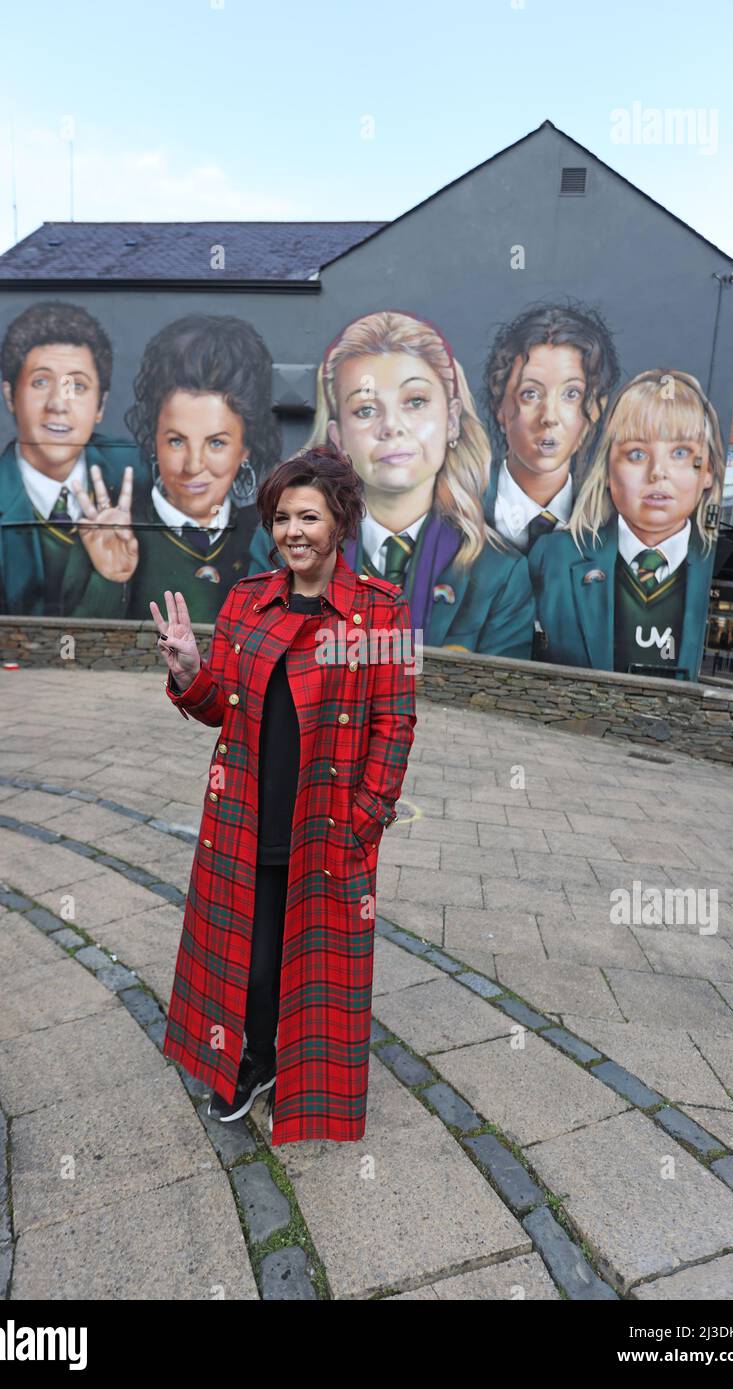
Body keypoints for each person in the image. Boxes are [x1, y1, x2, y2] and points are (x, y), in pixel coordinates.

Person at [150, 444, 417, 1144]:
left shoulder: (381, 612)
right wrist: (190, 672)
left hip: (325, 825)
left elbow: (396, 722)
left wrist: (367, 817)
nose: (293, 531)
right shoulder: (248, 600)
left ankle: (285, 1074)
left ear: (340, 523)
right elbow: (222, 709)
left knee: (314, 965)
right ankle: (254, 1061)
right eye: (281, 518)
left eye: (308, 517)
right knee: (254, 958)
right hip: (245, 816)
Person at [246, 309, 535, 658]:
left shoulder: (500, 574)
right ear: (338, 437)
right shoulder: (281, 543)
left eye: (415, 402)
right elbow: (263, 661)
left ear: (452, 420)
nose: (391, 427)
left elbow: (491, 705)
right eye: (366, 409)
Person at [528, 369, 725, 680]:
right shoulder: (553, 558)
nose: (658, 472)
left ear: (709, 471)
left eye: (680, 453)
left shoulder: (714, 566)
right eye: (636, 453)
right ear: (607, 468)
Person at [0, 301, 144, 616]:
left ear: (100, 405)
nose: (58, 403)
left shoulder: (144, 475)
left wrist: (112, 578)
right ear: (9, 395)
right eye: (41, 382)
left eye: (77, 386)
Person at [124, 315, 279, 622]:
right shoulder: (117, 532)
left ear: (245, 448)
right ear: (153, 439)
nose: (193, 466)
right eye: (176, 441)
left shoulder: (264, 536)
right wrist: (108, 578)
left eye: (217, 443)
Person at [482, 301, 619, 554]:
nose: (549, 416)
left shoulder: (611, 527)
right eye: (530, 393)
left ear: (596, 409)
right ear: (500, 406)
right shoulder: (456, 511)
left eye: (571, 394)